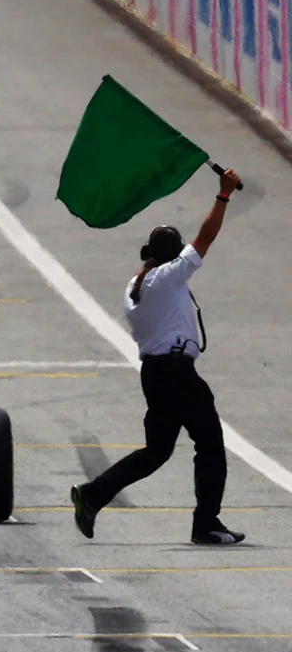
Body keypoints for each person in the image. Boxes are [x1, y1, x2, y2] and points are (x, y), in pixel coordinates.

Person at [73, 168, 245, 544]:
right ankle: (207, 523)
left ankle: (93, 494)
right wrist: (223, 195)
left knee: (157, 451)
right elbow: (206, 238)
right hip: (177, 372)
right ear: (171, 257)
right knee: (211, 444)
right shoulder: (166, 278)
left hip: (155, 373)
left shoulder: (135, 287)